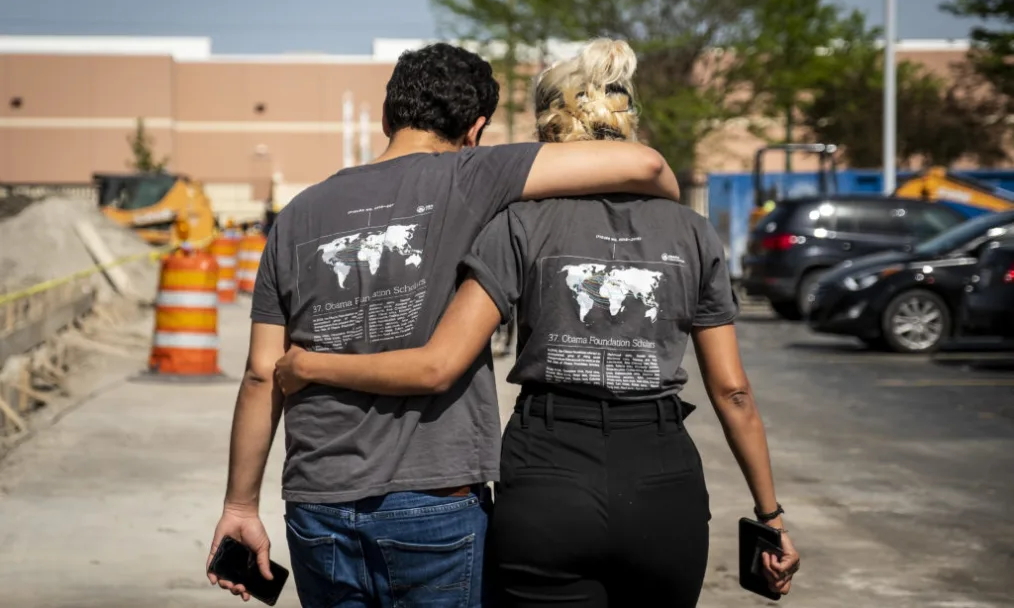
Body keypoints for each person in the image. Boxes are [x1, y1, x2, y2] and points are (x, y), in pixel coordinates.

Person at [274, 39, 800, 607]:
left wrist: (309, 365)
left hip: (547, 473)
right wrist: (769, 515)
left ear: (549, 125)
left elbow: (441, 361)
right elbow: (734, 391)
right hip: (661, 475)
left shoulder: (516, 224)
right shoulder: (693, 232)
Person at [206, 42, 682, 607]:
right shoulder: (473, 174)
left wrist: (240, 507)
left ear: (387, 117)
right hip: (435, 504)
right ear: (476, 129)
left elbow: (264, 374)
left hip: (317, 503)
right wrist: (670, 214)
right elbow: (646, 164)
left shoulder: (298, 215)